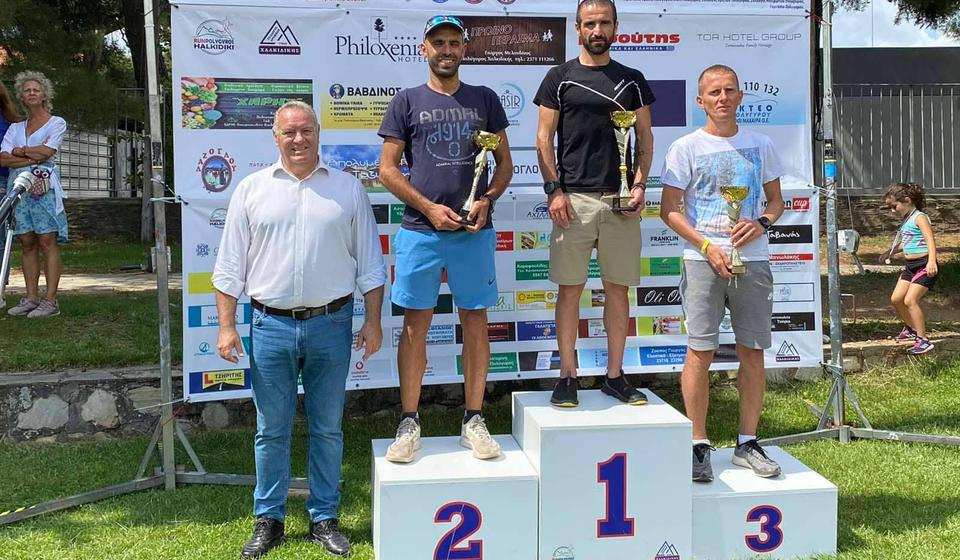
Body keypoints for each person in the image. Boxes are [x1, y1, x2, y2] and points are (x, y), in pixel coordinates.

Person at [213, 100, 386, 558]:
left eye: (306, 131)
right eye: (289, 132)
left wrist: (373, 320)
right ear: (275, 137)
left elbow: (370, 263)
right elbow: (229, 267)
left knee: (328, 428)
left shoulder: (348, 190)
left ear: (318, 134)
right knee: (271, 429)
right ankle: (268, 519)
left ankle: (324, 517)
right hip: (269, 326)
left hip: (332, 324)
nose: (298, 139)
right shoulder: (251, 190)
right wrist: (227, 327)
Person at [377, 15, 513, 463]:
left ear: (465, 49)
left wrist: (487, 199)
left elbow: (505, 167)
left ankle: (473, 418)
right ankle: (409, 421)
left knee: (474, 321)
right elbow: (388, 170)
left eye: (454, 42)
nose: (447, 50)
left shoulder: (485, 100)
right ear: (424, 48)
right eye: (439, 43)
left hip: (473, 232)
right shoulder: (405, 101)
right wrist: (428, 208)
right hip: (421, 231)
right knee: (416, 325)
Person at [660, 64, 785, 483]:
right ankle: (698, 444)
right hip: (703, 262)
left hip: (754, 260)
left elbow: (775, 201)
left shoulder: (762, 143)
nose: (723, 98)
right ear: (701, 101)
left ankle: (747, 442)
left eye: (730, 90)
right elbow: (669, 210)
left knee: (752, 351)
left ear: (740, 96)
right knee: (700, 351)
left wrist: (762, 223)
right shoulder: (684, 147)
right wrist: (708, 246)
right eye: (714, 92)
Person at [534, 0, 655, 407]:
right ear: (578, 27)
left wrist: (639, 187)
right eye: (590, 23)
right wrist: (554, 190)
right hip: (574, 201)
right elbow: (543, 138)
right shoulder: (560, 77)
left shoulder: (632, 79)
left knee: (617, 291)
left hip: (620, 201)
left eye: (604, 22)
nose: (597, 29)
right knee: (570, 291)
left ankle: (615, 376)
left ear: (616, 26)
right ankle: (567, 375)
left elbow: (645, 139)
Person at [0, 71, 68, 318]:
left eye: (35, 90)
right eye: (26, 90)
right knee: (26, 241)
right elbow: (3, 158)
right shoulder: (15, 127)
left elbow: (48, 152)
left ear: (44, 95)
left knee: (47, 240)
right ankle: (31, 297)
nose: (31, 93)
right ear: (21, 96)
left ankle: (51, 300)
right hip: (18, 189)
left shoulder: (56, 123)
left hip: (43, 189)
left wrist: (21, 152)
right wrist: (32, 155)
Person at [883, 182, 938, 354]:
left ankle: (923, 340)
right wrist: (889, 252)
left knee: (910, 300)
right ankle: (911, 329)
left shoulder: (919, 217)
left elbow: (930, 240)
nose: (893, 210)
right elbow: (907, 241)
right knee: (896, 299)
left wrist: (932, 261)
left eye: (894, 206)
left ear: (906, 200)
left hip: (924, 264)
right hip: (910, 267)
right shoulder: (906, 219)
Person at [0, 82, 21, 309]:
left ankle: (0, 289)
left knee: (0, 239)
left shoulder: (10, 123)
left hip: (2, 181)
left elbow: (6, 155)